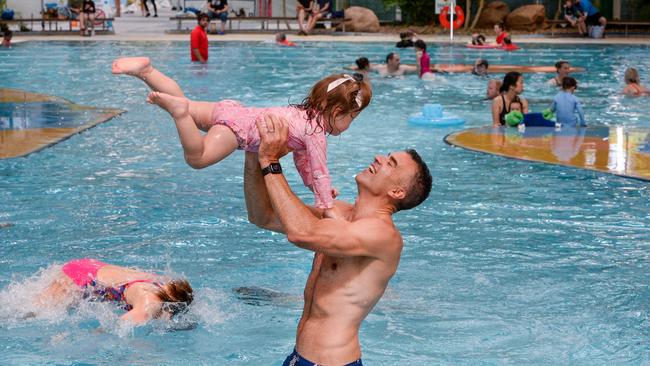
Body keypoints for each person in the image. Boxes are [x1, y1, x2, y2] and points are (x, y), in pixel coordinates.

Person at [243, 113, 432, 366]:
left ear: (397, 192)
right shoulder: (339, 212)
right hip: (299, 356)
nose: (379, 158)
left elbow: (301, 233)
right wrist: (253, 151)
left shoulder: (383, 235)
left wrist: (270, 160)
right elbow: (262, 215)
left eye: (391, 163)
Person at [112, 57, 372, 212]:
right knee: (198, 158)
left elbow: (303, 162)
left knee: (187, 102)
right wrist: (324, 202)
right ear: (337, 110)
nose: (352, 122)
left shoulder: (304, 117)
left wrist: (312, 186)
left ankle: (147, 71)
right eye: (353, 116)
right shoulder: (315, 132)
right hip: (237, 131)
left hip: (235, 111)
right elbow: (319, 169)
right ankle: (179, 114)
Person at [36, 259, 193, 325]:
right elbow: (116, 327)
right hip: (78, 276)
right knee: (34, 313)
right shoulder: (150, 302)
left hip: (90, 266)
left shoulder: (162, 283)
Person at [346, 53, 417, 77]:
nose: (399, 62)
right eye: (397, 60)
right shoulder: (380, 68)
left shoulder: (403, 68)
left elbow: (418, 69)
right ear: (390, 61)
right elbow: (365, 68)